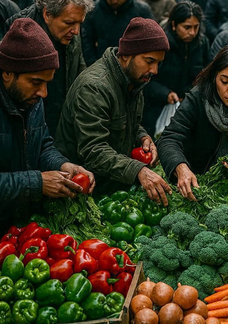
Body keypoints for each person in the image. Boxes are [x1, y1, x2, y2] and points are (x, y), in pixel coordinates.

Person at [56, 17, 172, 204]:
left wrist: (142, 137)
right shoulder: (95, 87)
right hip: (82, 190)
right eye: (149, 61)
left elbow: (124, 121)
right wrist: (138, 170)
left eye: (158, 63)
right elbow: (93, 149)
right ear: (126, 55)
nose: (155, 70)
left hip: (111, 187)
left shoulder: (134, 80)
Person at [0, 17, 94, 232]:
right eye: (36, 82)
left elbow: (41, 144)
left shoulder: (30, 100)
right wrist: (37, 183)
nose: (43, 93)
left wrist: (61, 165)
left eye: (47, 82)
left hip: (20, 229)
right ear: (7, 73)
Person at [157, 43, 228, 199]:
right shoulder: (197, 98)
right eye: (224, 81)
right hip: (196, 182)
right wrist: (180, 167)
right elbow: (169, 138)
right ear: (214, 77)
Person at [5, 0, 93, 136]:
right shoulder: (19, 35)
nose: (76, 31)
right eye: (69, 23)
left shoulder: (72, 35)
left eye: (80, 23)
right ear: (47, 14)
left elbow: (80, 72)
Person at [142, 1, 210, 136]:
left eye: (196, 27)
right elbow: (145, 79)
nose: (192, 32)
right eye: (187, 27)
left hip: (188, 106)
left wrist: (188, 94)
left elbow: (204, 75)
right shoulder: (160, 45)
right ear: (174, 25)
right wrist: (165, 93)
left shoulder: (202, 43)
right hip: (156, 107)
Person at [82, 0, 154, 66]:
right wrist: (94, 65)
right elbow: (87, 44)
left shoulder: (142, 11)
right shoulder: (93, 12)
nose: (115, 1)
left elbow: (151, 41)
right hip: (102, 68)